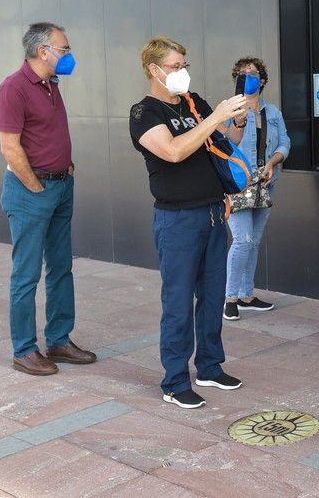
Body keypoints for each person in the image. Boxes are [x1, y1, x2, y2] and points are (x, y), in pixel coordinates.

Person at [129, 36, 247, 409]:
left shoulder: (195, 104)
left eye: (185, 65)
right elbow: (174, 151)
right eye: (176, 66)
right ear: (154, 70)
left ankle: (210, 367)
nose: (183, 72)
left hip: (213, 211)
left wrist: (236, 122)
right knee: (178, 301)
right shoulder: (144, 112)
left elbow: (225, 142)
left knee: (212, 298)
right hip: (177, 218)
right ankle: (175, 380)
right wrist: (215, 117)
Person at [0, 22, 96, 376]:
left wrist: (64, 168)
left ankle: (59, 340)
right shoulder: (13, 89)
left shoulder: (52, 84)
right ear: (43, 51)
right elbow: (10, 146)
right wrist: (36, 187)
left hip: (60, 187)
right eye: (64, 49)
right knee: (26, 275)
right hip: (30, 193)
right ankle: (24, 349)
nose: (69, 55)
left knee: (61, 267)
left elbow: (47, 135)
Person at [222, 57, 291, 320]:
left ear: (262, 80)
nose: (248, 76)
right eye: (242, 73)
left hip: (265, 183)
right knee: (243, 240)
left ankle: (246, 295)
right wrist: (232, 121)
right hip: (237, 184)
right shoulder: (228, 110)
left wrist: (273, 162)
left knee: (254, 242)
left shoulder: (272, 112)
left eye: (253, 73)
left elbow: (285, 142)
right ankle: (230, 298)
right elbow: (222, 144)